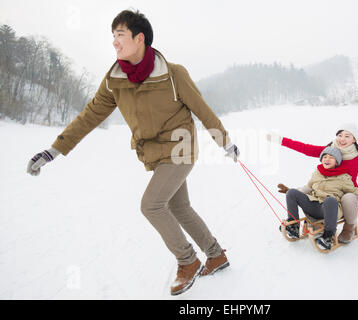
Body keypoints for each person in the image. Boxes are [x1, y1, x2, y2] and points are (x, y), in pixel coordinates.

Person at [26, 10, 239, 296]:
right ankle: (216, 255)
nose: (114, 43)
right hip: (154, 152)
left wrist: (224, 141)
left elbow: (202, 109)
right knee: (179, 207)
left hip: (180, 147)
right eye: (112, 36)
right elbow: (89, 116)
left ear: (139, 39)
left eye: (120, 36)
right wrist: (54, 150)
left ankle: (188, 262)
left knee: (151, 205)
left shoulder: (173, 74)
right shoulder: (115, 79)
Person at [278, 147, 358, 250]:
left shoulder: (343, 177)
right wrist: (290, 192)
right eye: (324, 157)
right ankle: (293, 226)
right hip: (313, 205)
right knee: (293, 193)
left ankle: (328, 236)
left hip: (330, 209)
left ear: (337, 161)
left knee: (330, 200)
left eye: (331, 157)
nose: (327, 159)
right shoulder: (317, 173)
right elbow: (307, 187)